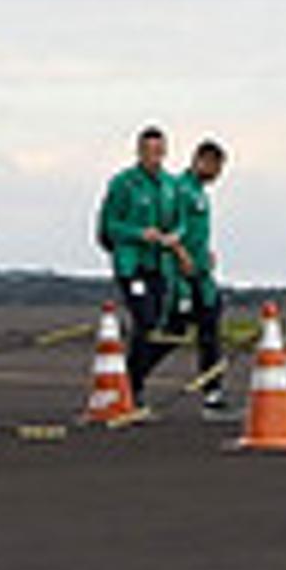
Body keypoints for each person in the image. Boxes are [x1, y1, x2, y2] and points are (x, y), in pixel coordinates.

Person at [92, 127, 183, 417]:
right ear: (138, 152)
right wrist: (138, 234)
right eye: (147, 151)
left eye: (158, 151)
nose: (153, 157)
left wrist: (173, 238)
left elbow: (179, 222)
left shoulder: (171, 185)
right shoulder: (123, 184)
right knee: (144, 320)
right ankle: (134, 388)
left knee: (156, 326)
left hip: (159, 264)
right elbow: (108, 226)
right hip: (132, 265)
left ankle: (132, 380)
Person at [168, 138, 232, 414]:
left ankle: (213, 393)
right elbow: (171, 228)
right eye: (216, 166)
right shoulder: (180, 190)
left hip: (200, 274)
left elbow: (195, 233)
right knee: (172, 331)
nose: (218, 173)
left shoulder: (200, 193)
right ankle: (132, 380)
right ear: (201, 161)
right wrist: (182, 255)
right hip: (181, 274)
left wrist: (206, 254)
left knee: (210, 328)